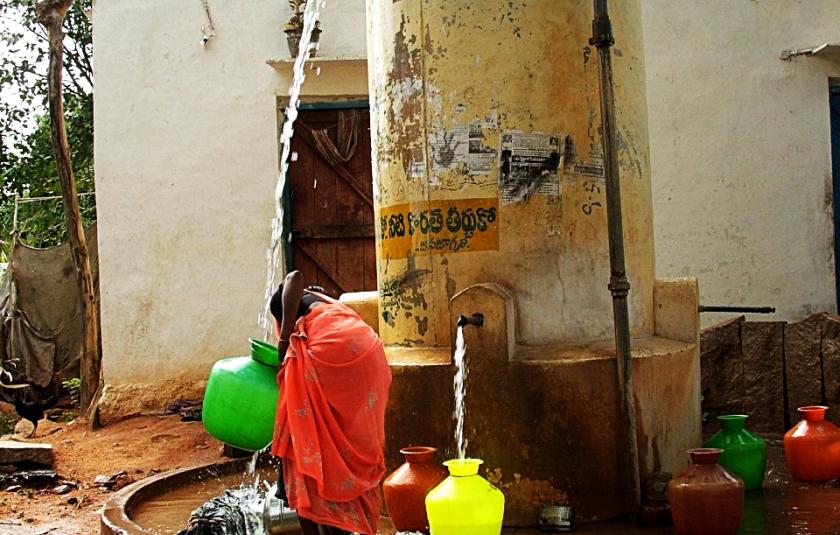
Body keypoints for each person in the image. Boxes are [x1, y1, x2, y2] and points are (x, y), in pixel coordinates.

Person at [269, 271, 391, 535]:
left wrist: (284, 339)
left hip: (332, 351)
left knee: (305, 441)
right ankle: (345, 521)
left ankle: (324, 522)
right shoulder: (325, 304)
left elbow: (293, 277)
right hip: (369, 352)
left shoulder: (295, 304)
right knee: (346, 439)